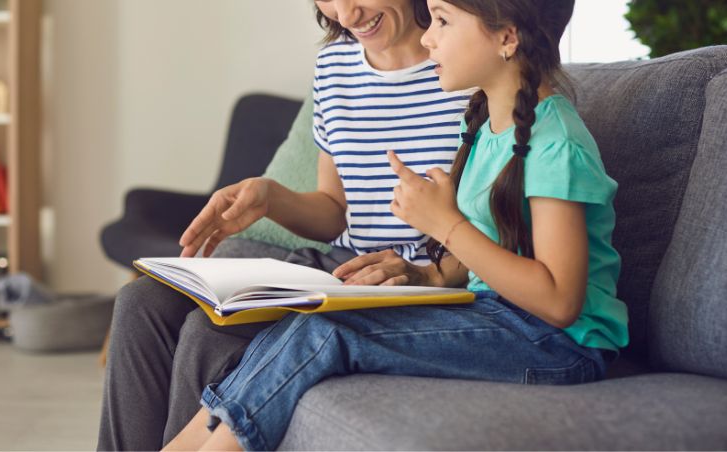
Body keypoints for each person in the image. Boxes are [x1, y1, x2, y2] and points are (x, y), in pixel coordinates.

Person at [163, 0, 629, 450]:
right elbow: (492, 259)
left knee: (326, 335)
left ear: (507, 37)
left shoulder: (555, 145)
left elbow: (559, 301)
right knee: (309, 322)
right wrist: (433, 268)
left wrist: (446, 226)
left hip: (558, 346)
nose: (427, 37)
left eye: (442, 20)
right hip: (501, 317)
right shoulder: (491, 128)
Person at [97, 0, 471, 449]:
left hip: (410, 278)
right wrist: (270, 197)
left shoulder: (464, 64)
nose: (345, 15)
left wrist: (430, 271)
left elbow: (495, 229)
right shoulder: (335, 65)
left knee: (206, 333)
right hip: (341, 267)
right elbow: (334, 209)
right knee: (139, 302)